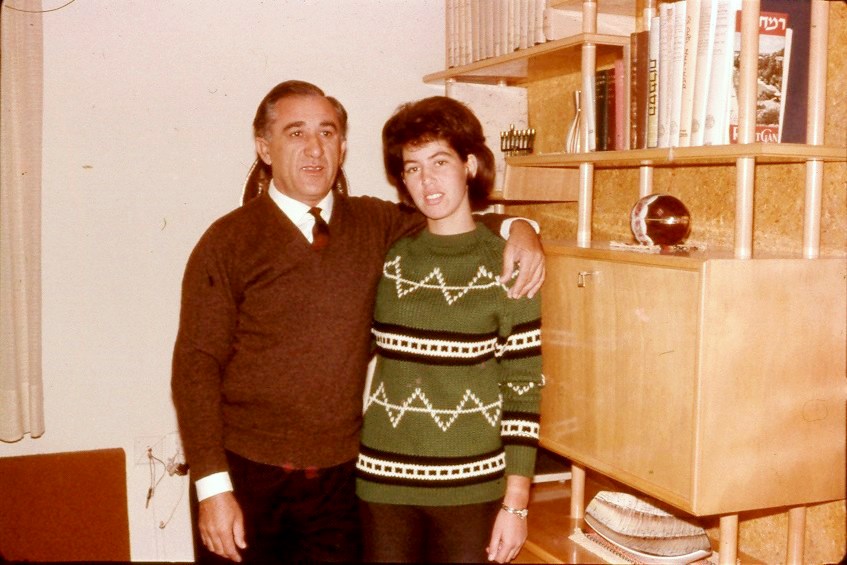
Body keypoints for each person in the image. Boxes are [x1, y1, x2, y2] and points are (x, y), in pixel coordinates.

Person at [171, 80, 545, 564]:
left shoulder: (374, 224)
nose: (314, 148)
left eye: (327, 133)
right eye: (296, 133)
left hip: (341, 483)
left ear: (342, 147)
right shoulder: (227, 241)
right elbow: (195, 367)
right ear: (264, 148)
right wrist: (211, 486)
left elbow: (450, 220)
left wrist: (522, 228)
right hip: (245, 478)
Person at [356, 96, 543, 564]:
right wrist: (520, 223)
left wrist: (516, 505)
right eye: (413, 168)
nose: (427, 180)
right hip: (383, 484)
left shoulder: (510, 263)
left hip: (472, 488)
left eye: (440, 161)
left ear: (470, 165)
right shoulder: (389, 252)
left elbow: (523, 390)